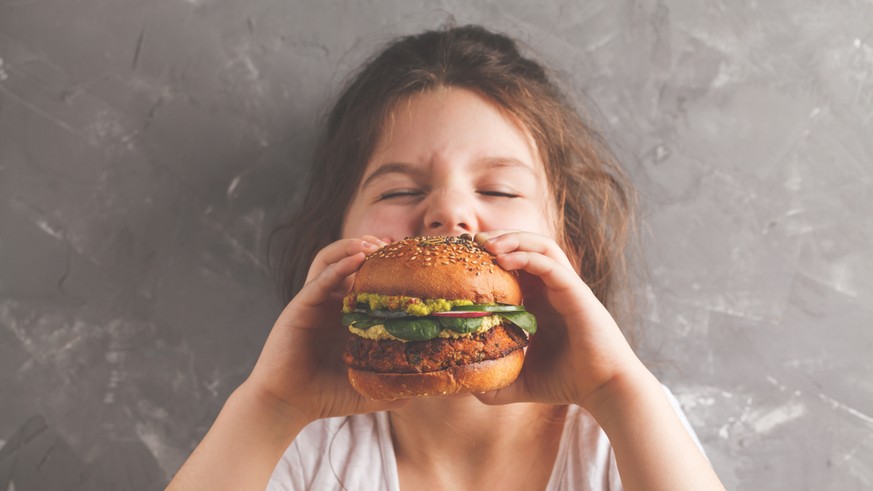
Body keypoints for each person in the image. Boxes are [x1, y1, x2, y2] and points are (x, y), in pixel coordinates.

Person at [167, 25, 725, 490]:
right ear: (335, 240)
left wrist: (615, 391)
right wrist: (273, 406)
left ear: (568, 248)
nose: (450, 214)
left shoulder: (625, 425)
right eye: (399, 192)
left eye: (500, 191)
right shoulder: (300, 444)